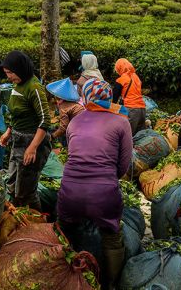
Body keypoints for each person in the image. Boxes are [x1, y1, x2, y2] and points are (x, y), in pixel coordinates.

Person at [57, 79, 133, 289]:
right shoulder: (121, 121)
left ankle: (67, 277)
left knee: (65, 232)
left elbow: (71, 155)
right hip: (103, 194)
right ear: (110, 98)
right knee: (111, 236)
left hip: (69, 191)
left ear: (87, 98)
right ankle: (111, 284)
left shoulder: (75, 121)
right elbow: (124, 165)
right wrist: (107, 179)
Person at [0, 51, 52, 210]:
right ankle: (18, 217)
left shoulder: (34, 87)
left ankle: (38, 225)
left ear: (20, 69)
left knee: (26, 191)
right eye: (6, 73)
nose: (8, 77)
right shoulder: (17, 85)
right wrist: (9, 131)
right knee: (13, 184)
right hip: (18, 140)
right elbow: (15, 112)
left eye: (10, 73)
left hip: (32, 142)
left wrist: (33, 148)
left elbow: (45, 120)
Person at [112, 58, 146, 135]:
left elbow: (114, 99)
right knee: (140, 136)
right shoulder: (136, 77)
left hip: (131, 110)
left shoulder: (121, 80)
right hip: (142, 109)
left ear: (119, 68)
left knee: (127, 136)